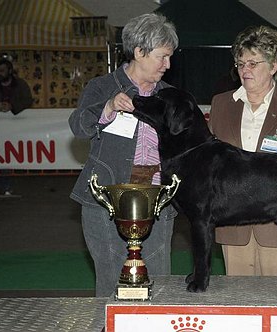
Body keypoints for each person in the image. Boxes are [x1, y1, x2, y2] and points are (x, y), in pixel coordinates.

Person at [68, 13, 179, 297]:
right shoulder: (103, 86)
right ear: (139, 51)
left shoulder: (170, 96)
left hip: (157, 202)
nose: (168, 65)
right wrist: (106, 108)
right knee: (111, 282)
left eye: (170, 57)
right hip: (105, 202)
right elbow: (78, 126)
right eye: (162, 57)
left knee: (158, 282)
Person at [209, 25, 277, 277]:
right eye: (240, 64)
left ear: (273, 67)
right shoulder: (221, 104)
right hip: (233, 226)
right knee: (240, 308)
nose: (244, 70)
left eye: (252, 63)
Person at [0, 58, 33, 196]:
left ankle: (6, 186)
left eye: (2, 70)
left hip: (16, 128)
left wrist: (12, 106)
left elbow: (27, 100)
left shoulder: (21, 84)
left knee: (8, 155)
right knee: (0, 155)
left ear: (10, 71)